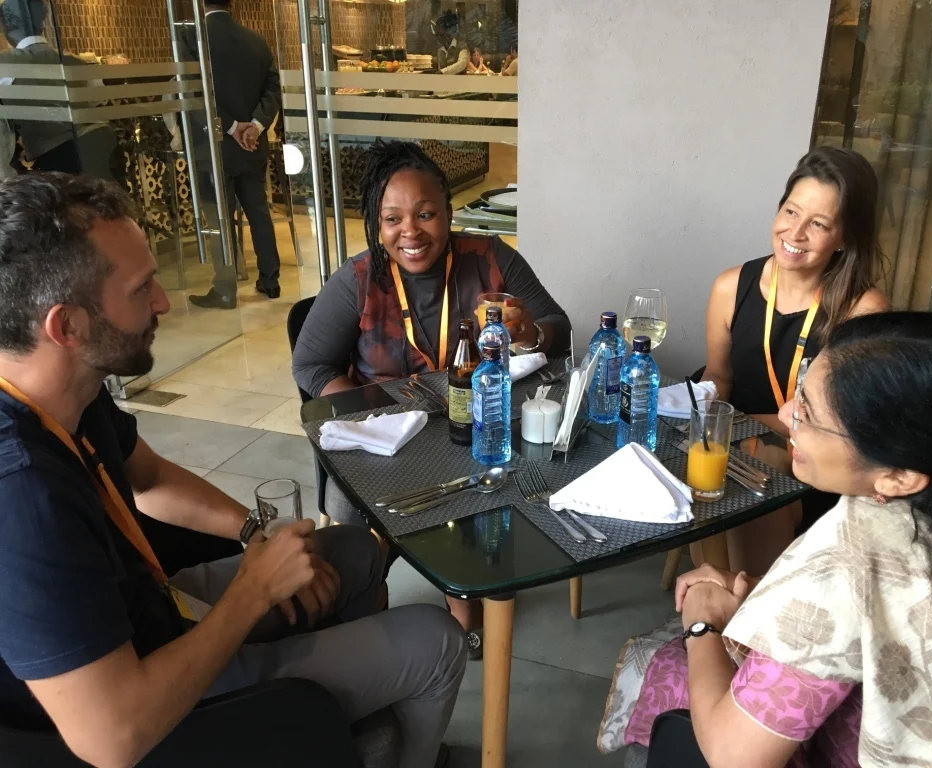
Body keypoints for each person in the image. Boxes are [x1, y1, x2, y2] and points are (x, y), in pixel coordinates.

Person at [0, 173, 466, 768]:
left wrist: (254, 533)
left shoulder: (70, 393)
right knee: (438, 639)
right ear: (67, 326)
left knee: (351, 550)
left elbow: (148, 478)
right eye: (142, 290)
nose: (165, 302)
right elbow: (111, 738)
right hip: (152, 703)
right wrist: (252, 592)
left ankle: (340, 730)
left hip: (151, 616)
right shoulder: (21, 496)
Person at [604, 311, 932, 767]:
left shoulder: (848, 564)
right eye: (799, 394)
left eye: (809, 415)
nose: (786, 416)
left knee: (664, 665)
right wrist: (772, 592)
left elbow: (732, 755)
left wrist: (701, 621)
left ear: (899, 476)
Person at [292, 140, 571, 656]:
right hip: (387, 442)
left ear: (448, 212)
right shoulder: (358, 279)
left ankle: (464, 589)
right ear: (377, 225)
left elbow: (558, 327)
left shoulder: (489, 258)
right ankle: (367, 596)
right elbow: (309, 365)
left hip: (473, 428)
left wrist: (531, 331)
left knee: (512, 470)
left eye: (425, 214)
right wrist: (373, 415)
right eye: (392, 218)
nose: (411, 232)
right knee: (350, 514)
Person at [700, 146, 889, 574]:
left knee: (755, 466)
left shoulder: (863, 311)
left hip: (816, 451)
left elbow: (842, 422)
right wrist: (701, 417)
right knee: (703, 454)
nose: (795, 232)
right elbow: (719, 378)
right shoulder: (731, 287)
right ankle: (727, 595)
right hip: (737, 436)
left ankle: (745, 610)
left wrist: (745, 428)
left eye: (818, 224)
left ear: (845, 237)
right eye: (790, 212)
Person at [184, 0, 283, 310]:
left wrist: (231, 127)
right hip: (253, 145)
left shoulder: (192, 39)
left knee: (220, 218)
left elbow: (193, 92)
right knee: (259, 212)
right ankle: (270, 281)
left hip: (214, 147)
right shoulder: (255, 41)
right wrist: (254, 125)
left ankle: (225, 290)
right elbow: (273, 89)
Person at [0, 0, 118, 180]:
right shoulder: (76, 60)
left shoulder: (5, 63)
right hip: (102, 139)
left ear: (7, 26)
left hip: (57, 153)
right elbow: (97, 99)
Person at [435, 10, 469, 75]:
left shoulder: (462, 46)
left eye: (442, 32)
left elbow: (462, 64)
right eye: (439, 33)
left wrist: (442, 72)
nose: (440, 35)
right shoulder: (440, 51)